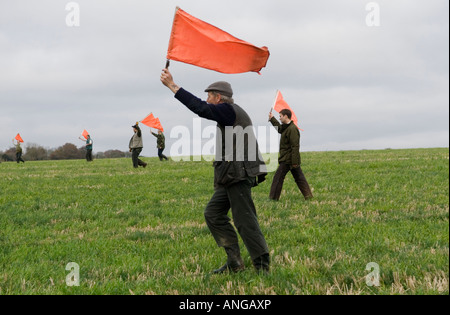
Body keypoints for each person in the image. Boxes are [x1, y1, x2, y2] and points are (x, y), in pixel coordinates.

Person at [161, 68, 270, 274]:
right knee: (213, 213)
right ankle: (234, 262)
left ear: (218, 97)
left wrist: (173, 86)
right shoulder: (229, 113)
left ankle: (262, 267)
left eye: (209, 97)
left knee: (245, 220)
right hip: (231, 175)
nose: (207, 100)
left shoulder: (229, 111)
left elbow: (200, 109)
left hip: (238, 174)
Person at [268, 109, 313, 201]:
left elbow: (295, 146)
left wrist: (295, 162)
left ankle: (273, 199)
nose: (279, 118)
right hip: (290, 159)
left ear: (285, 116)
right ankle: (309, 196)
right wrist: (272, 119)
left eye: (280, 116)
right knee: (299, 178)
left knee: (278, 178)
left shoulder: (292, 129)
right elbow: (280, 129)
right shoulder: (286, 127)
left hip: (288, 159)